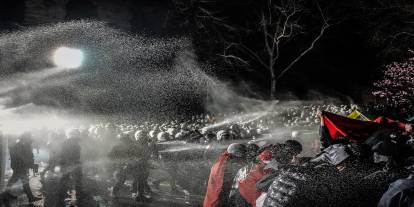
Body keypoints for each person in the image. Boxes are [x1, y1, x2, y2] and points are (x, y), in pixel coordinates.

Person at [6, 132, 41, 203]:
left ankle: (6, 194)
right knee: (24, 182)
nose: (30, 139)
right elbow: (22, 157)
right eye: (29, 137)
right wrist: (29, 164)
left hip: (19, 166)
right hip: (19, 166)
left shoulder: (21, 145)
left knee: (17, 181)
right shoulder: (20, 145)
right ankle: (30, 197)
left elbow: (25, 156)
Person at [57, 129, 83, 206]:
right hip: (70, 164)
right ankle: (71, 197)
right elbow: (66, 155)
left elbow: (62, 154)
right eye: (76, 134)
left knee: (66, 180)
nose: (77, 136)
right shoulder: (73, 143)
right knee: (74, 180)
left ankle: (63, 196)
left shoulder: (69, 142)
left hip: (69, 164)